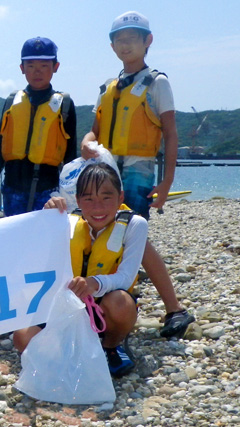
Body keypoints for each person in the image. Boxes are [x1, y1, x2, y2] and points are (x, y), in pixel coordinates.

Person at [80, 11, 194, 338]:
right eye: (120, 39)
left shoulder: (157, 83)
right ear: (112, 45)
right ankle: (109, 304)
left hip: (139, 172)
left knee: (134, 239)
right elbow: (93, 133)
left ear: (148, 42)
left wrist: (167, 181)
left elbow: (171, 133)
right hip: (104, 172)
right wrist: (87, 146)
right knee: (105, 235)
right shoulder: (107, 87)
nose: (125, 44)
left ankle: (173, 308)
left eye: (133, 38)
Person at [14, 163, 145, 377]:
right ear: (78, 199)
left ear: (121, 197)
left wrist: (94, 283)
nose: (98, 207)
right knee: (21, 339)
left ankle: (110, 347)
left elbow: (126, 276)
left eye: (106, 197)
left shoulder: (135, 225)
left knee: (121, 302)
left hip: (103, 305)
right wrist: (47, 218)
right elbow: (34, 255)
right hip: (66, 306)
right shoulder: (65, 222)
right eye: (89, 199)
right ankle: (71, 351)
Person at [0, 37, 77, 215]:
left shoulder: (64, 104)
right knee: (16, 240)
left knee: (45, 240)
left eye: (44, 66)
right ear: (22, 69)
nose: (37, 72)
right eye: (31, 66)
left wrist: (71, 193)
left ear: (55, 67)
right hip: (13, 188)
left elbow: (70, 155)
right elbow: (0, 145)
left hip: (49, 190)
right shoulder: (12, 101)